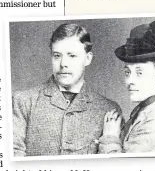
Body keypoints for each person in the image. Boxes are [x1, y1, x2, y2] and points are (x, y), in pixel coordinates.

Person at [12, 23, 120, 157]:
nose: (63, 64)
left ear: (88, 58)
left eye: (72, 56)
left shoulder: (108, 110)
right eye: (57, 55)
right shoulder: (23, 102)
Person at [99, 18, 155, 154]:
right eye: (128, 72)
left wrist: (110, 137)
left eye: (139, 73)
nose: (129, 81)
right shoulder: (148, 111)